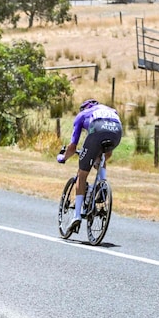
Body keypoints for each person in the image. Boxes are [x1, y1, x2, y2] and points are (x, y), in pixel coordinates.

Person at [57, 99, 122, 233]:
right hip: (117, 130)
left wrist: (63, 158)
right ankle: (101, 185)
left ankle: (76, 216)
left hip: (98, 129)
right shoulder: (110, 110)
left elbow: (73, 146)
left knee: (82, 174)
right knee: (103, 156)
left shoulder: (82, 115)